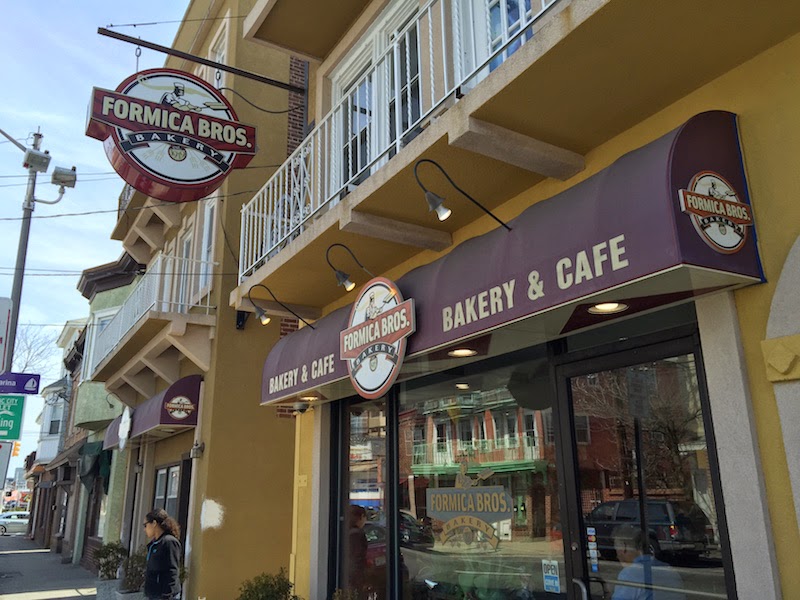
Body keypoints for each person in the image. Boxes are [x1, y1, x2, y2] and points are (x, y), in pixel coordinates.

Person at [611, 525, 687, 600]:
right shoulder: (670, 571)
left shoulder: (629, 574)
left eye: (616, 550)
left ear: (623, 547)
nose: (617, 556)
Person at [143, 508, 182, 600]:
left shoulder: (169, 542)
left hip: (165, 596)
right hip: (154, 594)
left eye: (145, 525)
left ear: (154, 523)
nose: (144, 529)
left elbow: (172, 570)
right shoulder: (154, 544)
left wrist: (167, 595)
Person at [347, 504, 368, 594]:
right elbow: (357, 559)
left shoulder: (345, 531)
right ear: (361, 517)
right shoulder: (357, 534)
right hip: (355, 577)